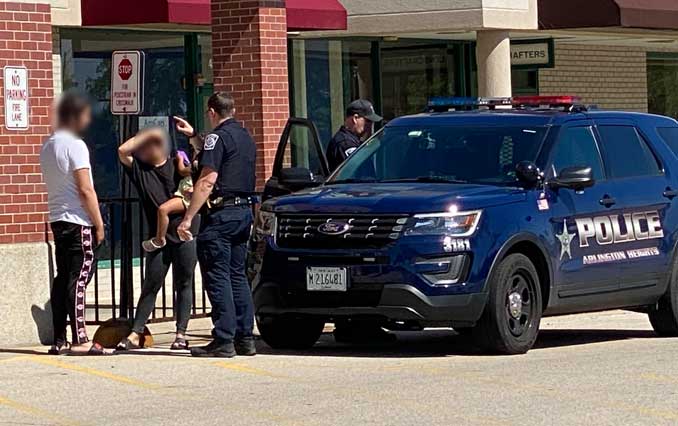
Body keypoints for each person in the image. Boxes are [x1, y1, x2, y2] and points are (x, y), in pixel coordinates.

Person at [176, 92, 257, 358]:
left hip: (221, 215)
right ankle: (245, 338)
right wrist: (193, 137)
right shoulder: (245, 136)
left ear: (212, 112)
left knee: (218, 276)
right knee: (237, 276)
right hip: (243, 212)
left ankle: (223, 339)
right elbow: (223, 155)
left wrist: (188, 217)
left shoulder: (216, 138)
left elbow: (207, 179)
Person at [116, 125, 200, 351]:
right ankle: (136, 333)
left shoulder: (176, 165)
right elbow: (122, 151)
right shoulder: (140, 170)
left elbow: (197, 174)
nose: (144, 149)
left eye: (150, 144)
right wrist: (144, 134)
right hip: (157, 237)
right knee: (151, 284)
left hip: (183, 233)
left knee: (184, 282)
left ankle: (181, 333)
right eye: (142, 145)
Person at [40, 92, 108, 355]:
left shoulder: (47, 146)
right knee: (78, 280)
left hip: (57, 218)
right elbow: (85, 189)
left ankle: (60, 338)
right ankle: (81, 338)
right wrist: (98, 223)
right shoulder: (75, 145)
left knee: (62, 279)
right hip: (78, 220)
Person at [141, 135, 203, 252]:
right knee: (164, 210)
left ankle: (160, 239)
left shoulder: (199, 164)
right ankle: (182, 233)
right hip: (184, 193)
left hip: (187, 197)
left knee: (163, 209)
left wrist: (179, 160)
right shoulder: (196, 162)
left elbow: (183, 171)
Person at [326, 99, 383, 172]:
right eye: (368, 121)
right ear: (355, 118)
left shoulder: (354, 140)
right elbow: (358, 171)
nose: (370, 125)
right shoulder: (345, 143)